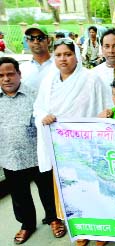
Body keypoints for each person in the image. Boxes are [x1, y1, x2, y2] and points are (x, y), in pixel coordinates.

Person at [33, 38, 107, 246]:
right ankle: (81, 229)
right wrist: (43, 117)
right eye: (58, 55)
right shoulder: (48, 81)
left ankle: (101, 230)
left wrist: (104, 115)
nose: (63, 59)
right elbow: (38, 108)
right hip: (61, 148)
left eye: (68, 54)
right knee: (71, 191)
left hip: (87, 145)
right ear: (54, 57)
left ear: (76, 55)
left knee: (93, 188)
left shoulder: (91, 79)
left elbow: (106, 106)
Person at [0, 57, 66, 244]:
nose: (6, 79)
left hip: (38, 155)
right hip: (10, 157)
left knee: (47, 190)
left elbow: (47, 118)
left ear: (19, 74)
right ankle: (27, 225)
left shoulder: (35, 95)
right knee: (19, 195)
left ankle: (54, 219)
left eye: (10, 74)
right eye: (1, 75)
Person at [20, 26, 55, 90]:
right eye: (31, 38)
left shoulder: (59, 65)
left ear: (48, 41)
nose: (36, 42)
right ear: (27, 41)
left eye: (40, 38)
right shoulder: (22, 68)